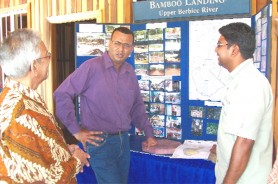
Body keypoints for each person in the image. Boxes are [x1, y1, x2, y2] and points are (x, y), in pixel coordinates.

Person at [54, 26, 157, 184]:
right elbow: (61, 94)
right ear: (109, 43)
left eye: (126, 45)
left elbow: (137, 106)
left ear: (132, 49)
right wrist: (76, 131)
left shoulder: (129, 72)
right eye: (117, 43)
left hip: (123, 142)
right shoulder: (91, 67)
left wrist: (149, 133)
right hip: (100, 143)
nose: (121, 49)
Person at [0, 29, 91, 183]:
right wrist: (75, 162)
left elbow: (36, 152)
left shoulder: (23, 99)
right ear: (34, 66)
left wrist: (64, 151)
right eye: (47, 55)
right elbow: (41, 180)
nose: (50, 59)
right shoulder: (21, 113)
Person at [214, 22, 273, 184]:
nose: (215, 50)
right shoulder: (240, 80)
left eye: (220, 44)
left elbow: (245, 141)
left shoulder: (250, 84)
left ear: (234, 49)